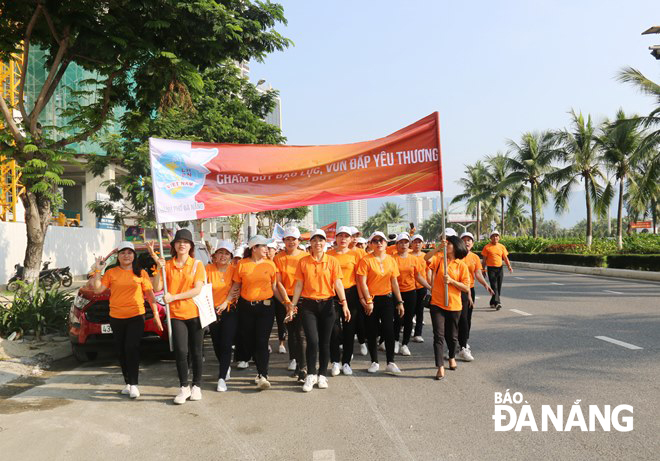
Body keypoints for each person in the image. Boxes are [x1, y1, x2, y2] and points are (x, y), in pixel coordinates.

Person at [88, 241, 163, 399]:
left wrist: (156, 314)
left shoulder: (140, 273)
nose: (126, 255)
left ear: (134, 256)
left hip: (136, 315)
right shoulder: (111, 273)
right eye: (123, 253)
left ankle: (134, 384)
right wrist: (97, 271)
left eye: (129, 253)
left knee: (132, 347)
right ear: (118, 256)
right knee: (121, 351)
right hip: (116, 317)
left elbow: (150, 294)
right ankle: (128, 383)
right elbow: (97, 289)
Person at [289, 229, 349, 392]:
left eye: (321, 240)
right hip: (308, 306)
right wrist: (293, 305)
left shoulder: (332, 261)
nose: (318, 243)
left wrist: (344, 303)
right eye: (314, 240)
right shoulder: (303, 262)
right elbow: (299, 285)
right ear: (310, 243)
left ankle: (322, 375)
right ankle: (311, 374)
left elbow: (337, 283)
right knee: (312, 340)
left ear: (325, 242)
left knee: (325, 342)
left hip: (328, 305)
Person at [151, 229, 205, 404]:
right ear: (174, 245)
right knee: (181, 351)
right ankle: (184, 387)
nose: (182, 244)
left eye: (186, 242)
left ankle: (196, 385)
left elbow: (197, 289)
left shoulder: (197, 264)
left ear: (190, 246)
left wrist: (174, 297)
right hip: (176, 315)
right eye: (179, 241)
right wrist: (159, 269)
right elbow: (157, 286)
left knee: (197, 352)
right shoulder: (167, 264)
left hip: (195, 313)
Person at [229, 235, 283, 390]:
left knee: (262, 341)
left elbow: (275, 288)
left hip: (266, 308)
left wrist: (286, 303)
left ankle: (263, 375)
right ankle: (258, 369)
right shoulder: (242, 265)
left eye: (267, 246)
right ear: (254, 248)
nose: (267, 249)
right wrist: (226, 302)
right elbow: (235, 287)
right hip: (246, 308)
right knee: (249, 340)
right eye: (263, 246)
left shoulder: (270, 265)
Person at [356, 231, 405, 374]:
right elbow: (362, 282)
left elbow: (394, 282)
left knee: (389, 330)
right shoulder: (365, 260)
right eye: (375, 241)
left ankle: (390, 362)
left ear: (386, 243)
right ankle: (374, 362)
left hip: (387, 299)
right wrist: (368, 300)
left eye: (381, 240)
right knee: (372, 331)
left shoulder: (391, 260)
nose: (379, 243)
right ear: (370, 244)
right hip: (371, 299)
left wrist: (399, 301)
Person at [428, 235, 470, 381]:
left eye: (450, 244)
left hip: (454, 305)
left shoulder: (461, 265)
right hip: (437, 303)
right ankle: (439, 366)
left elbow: (465, 287)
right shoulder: (439, 259)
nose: (448, 245)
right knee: (438, 336)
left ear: (456, 246)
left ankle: (451, 356)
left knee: (452, 337)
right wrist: (438, 248)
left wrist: (451, 281)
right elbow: (425, 258)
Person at [327, 226, 363, 375]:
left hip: (351, 294)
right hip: (332, 294)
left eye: (346, 236)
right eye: (340, 236)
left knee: (349, 328)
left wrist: (364, 298)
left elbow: (361, 279)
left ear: (350, 239)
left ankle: (346, 362)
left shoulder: (356, 255)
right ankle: (335, 361)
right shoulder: (328, 255)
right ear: (335, 238)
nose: (343, 239)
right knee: (334, 329)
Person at [273, 227, 308, 381]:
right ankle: (294, 360)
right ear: (284, 241)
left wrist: (294, 302)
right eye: (288, 239)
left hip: (302, 298)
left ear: (299, 240)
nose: (290, 242)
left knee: (301, 333)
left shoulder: (306, 256)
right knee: (291, 333)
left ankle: (303, 367)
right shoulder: (278, 258)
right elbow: (278, 282)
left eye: (293, 239)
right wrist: (287, 302)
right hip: (284, 298)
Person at [206, 241, 239, 392]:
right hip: (211, 311)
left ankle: (222, 377)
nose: (223, 256)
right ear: (214, 255)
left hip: (229, 310)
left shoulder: (234, 269)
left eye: (226, 253)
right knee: (216, 343)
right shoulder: (207, 269)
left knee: (226, 344)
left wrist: (226, 302)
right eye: (220, 252)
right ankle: (224, 366)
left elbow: (236, 287)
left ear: (231, 256)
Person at [457, 232, 495, 362]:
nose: (467, 242)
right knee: (457, 318)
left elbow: (477, 273)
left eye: (469, 240)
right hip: (456, 290)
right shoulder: (455, 256)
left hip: (469, 290)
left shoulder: (474, 257)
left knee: (466, 318)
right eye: (464, 240)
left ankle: (463, 342)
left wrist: (486, 285)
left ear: (472, 243)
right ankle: (457, 344)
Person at [392, 233, 432, 356]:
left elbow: (418, 276)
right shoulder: (392, 258)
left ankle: (404, 344)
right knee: (397, 319)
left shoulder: (413, 259)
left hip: (411, 292)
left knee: (408, 319)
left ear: (408, 244)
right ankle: (395, 341)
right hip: (395, 292)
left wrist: (430, 287)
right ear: (397, 245)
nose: (403, 245)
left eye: (405, 242)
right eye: (401, 242)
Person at [481, 230, 513, 310]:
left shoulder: (501, 246)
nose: (495, 237)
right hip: (491, 269)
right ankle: (497, 303)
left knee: (498, 287)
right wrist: (483, 270)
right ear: (490, 238)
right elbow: (484, 260)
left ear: (499, 238)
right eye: (493, 236)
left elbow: (505, 258)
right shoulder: (487, 247)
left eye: (497, 236)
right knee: (494, 286)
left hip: (500, 268)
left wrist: (509, 266)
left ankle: (492, 302)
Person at [409, 234, 431, 343]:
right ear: (411, 244)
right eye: (415, 242)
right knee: (409, 310)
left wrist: (430, 285)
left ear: (422, 244)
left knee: (420, 311)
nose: (417, 244)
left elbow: (428, 272)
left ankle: (418, 333)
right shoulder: (407, 255)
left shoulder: (426, 256)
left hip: (422, 287)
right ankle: (407, 328)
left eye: (419, 242)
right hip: (409, 288)